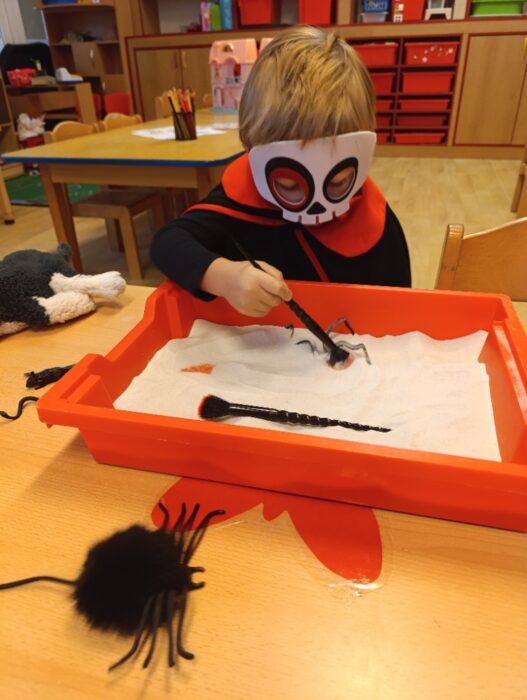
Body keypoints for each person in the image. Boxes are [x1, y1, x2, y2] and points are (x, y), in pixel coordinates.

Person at [150, 26, 411, 317]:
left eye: (338, 183)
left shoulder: (374, 221)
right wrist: (225, 277)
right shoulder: (243, 195)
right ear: (251, 151)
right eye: (289, 185)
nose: (314, 205)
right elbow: (167, 243)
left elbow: (398, 311)